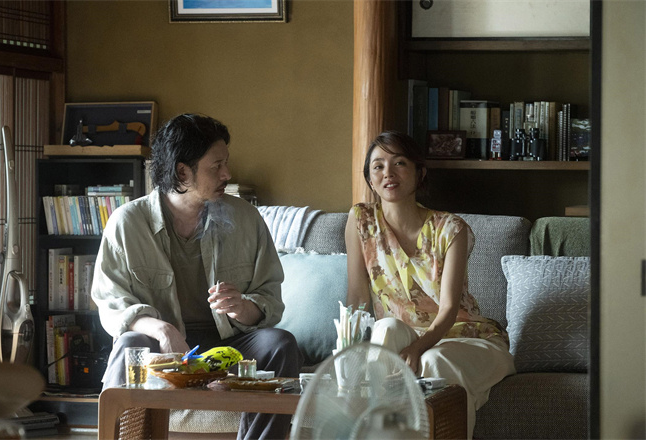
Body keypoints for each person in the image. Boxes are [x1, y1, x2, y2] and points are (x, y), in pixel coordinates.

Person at [91, 113, 303, 440]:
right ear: (182, 172)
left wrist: (243, 307)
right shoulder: (127, 223)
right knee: (130, 343)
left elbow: (270, 300)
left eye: (226, 163)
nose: (227, 174)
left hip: (230, 343)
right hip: (162, 348)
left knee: (280, 343)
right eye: (216, 166)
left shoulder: (246, 219)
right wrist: (163, 330)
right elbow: (111, 305)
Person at [345, 130, 515, 439]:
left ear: (419, 172)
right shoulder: (361, 221)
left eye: (399, 163)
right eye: (378, 166)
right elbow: (357, 299)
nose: (388, 173)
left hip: (465, 337)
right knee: (385, 328)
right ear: (370, 179)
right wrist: (348, 355)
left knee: (433, 361)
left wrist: (418, 348)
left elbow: (449, 309)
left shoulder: (450, 229)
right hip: (404, 336)